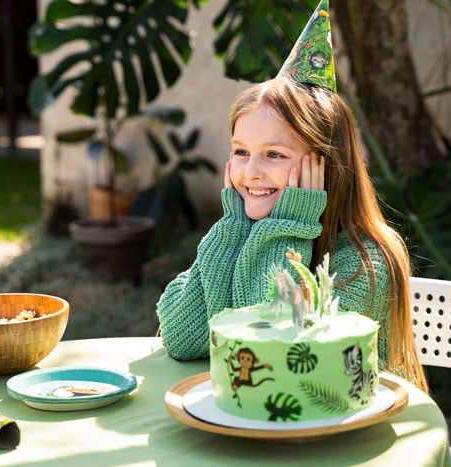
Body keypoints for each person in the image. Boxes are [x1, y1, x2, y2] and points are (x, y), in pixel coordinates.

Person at [156, 0, 427, 392]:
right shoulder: (244, 231)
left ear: (326, 167)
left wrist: (290, 224)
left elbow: (265, 349)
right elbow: (181, 336)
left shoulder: (363, 263)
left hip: (341, 443)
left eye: (275, 155)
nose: (251, 172)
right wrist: (233, 225)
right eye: (241, 152)